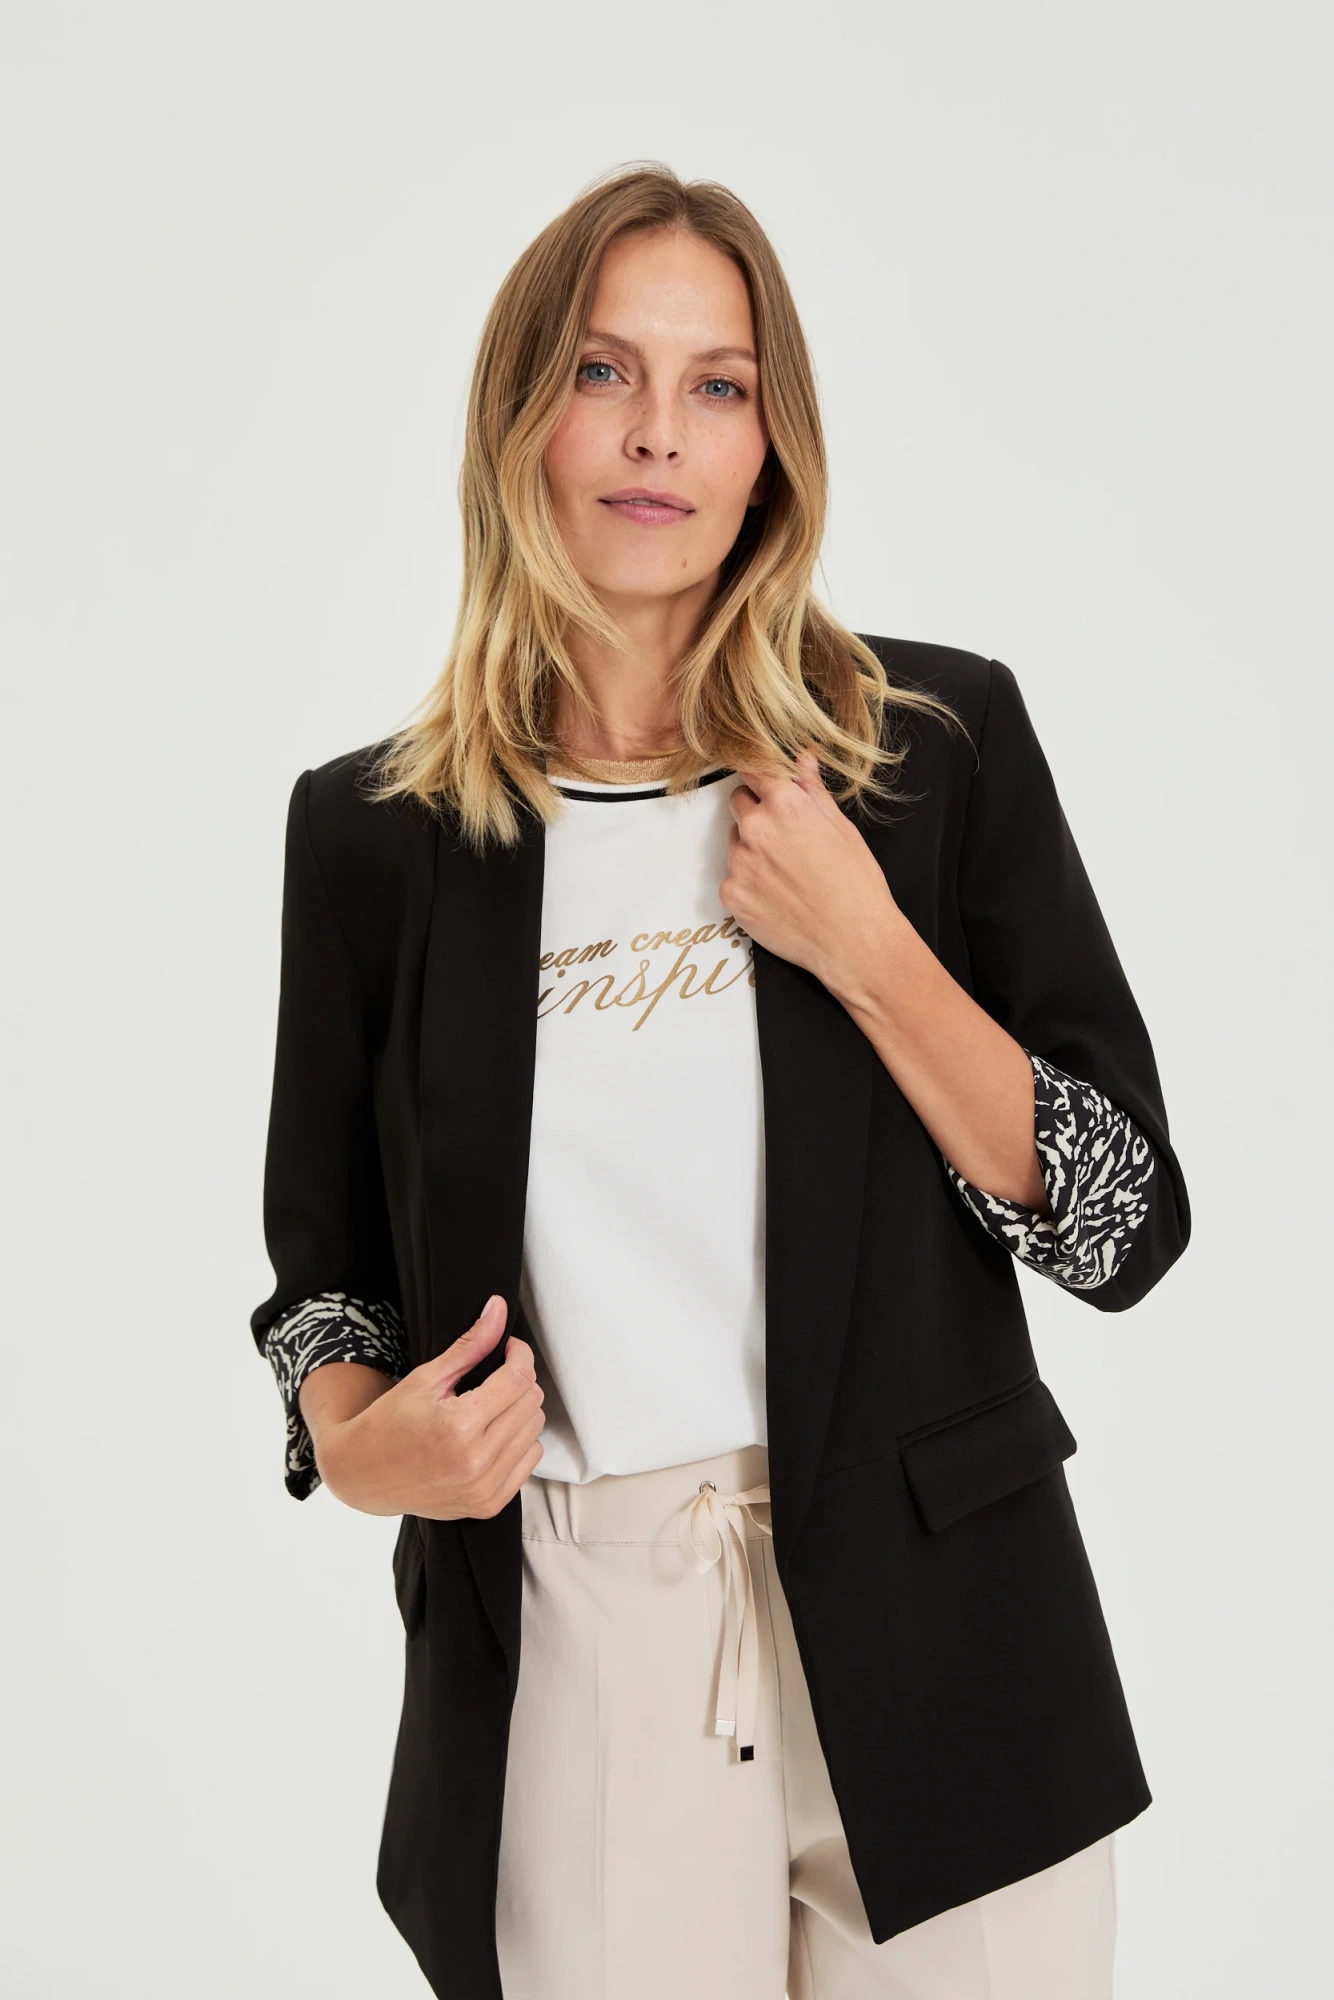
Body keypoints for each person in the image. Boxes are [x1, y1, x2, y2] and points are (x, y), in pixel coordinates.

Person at [250, 164, 1190, 2000]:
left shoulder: (926, 750)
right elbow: (326, 1287)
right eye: (603, 372)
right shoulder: (374, 837)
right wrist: (363, 1448)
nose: (657, 435)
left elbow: (1124, 1225)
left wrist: (868, 946)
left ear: (773, 445)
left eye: (718, 384)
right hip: (578, 1631)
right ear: (520, 415)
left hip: (946, 1618)